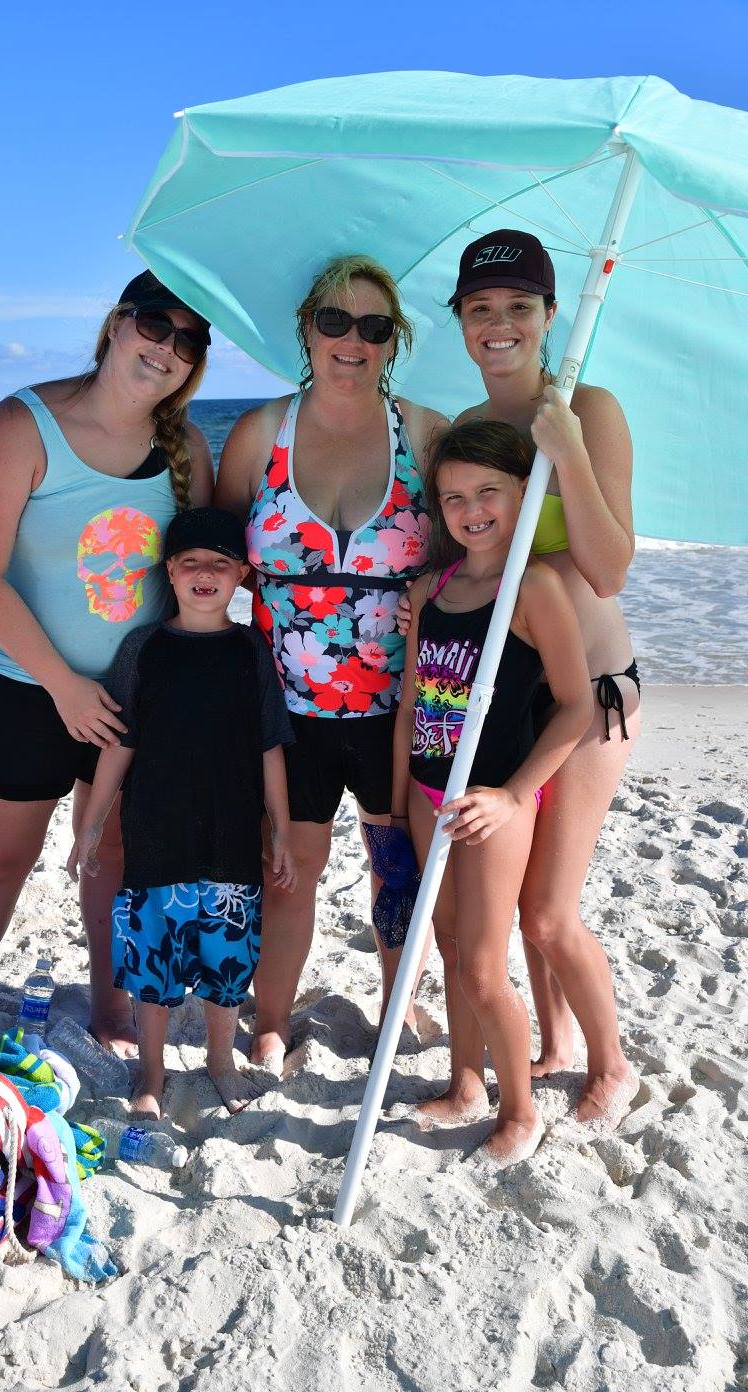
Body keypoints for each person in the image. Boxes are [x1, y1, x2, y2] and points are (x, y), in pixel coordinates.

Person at [0, 272, 214, 1053]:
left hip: (129, 700)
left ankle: (110, 1013)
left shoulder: (187, 449)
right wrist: (63, 685)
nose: (166, 349)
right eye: (154, 324)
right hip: (21, 686)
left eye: (188, 341)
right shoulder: (24, 424)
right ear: (117, 323)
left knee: (110, 851)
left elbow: (196, 578)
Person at [401, 227, 641, 1124]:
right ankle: (553, 1046)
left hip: (590, 692)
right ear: (462, 322)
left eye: (519, 308)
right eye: (480, 309)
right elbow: (456, 556)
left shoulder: (592, 408)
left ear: (548, 316)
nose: (499, 324)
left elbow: (610, 567)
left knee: (546, 912)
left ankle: (611, 1066)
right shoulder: (468, 434)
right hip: (499, 698)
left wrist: (569, 451)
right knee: (506, 896)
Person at [214, 254, 449, 1073]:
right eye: (335, 321)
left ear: (394, 342)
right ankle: (272, 1019)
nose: (353, 339)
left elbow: (470, 555)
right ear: (308, 330)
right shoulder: (257, 434)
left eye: (375, 327)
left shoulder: (424, 434)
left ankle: (397, 1005)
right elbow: (209, 561)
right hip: (287, 706)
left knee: (396, 870)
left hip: (399, 709)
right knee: (291, 868)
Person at [393, 420, 593, 1164]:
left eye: (488, 493)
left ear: (524, 495)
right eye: (452, 498)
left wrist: (513, 797)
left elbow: (575, 705)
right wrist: (394, 797)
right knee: (444, 947)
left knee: (481, 964)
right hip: (425, 786)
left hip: (494, 801)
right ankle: (465, 1084)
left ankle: (520, 1110)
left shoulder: (533, 587)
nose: (471, 509)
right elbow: (414, 704)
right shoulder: (432, 588)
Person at [67, 507, 296, 1115]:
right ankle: (151, 1070)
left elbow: (271, 745)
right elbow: (119, 744)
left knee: (227, 957)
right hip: (155, 833)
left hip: (232, 834)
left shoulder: (251, 649)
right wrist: (90, 825)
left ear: (242, 574)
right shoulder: (143, 647)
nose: (204, 572)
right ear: (168, 571)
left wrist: (280, 831)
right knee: (153, 959)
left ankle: (220, 1060)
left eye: (220, 563)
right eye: (190, 561)